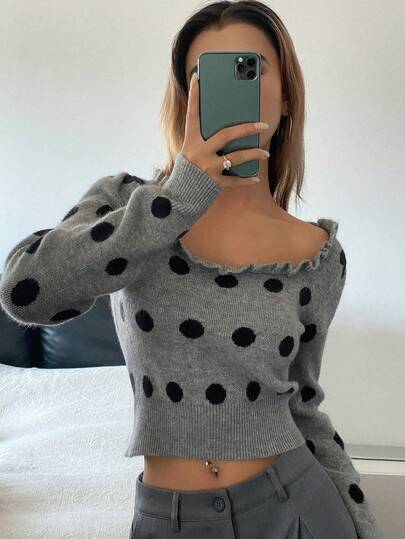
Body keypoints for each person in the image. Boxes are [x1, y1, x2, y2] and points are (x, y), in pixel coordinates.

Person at [0, 1, 384, 538]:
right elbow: (25, 291)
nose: (229, 90)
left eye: (250, 69)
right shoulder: (129, 205)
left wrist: (363, 525)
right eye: (205, 74)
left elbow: (305, 406)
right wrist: (179, 198)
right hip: (171, 517)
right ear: (186, 98)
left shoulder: (318, 255)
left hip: (295, 506)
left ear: (287, 96)